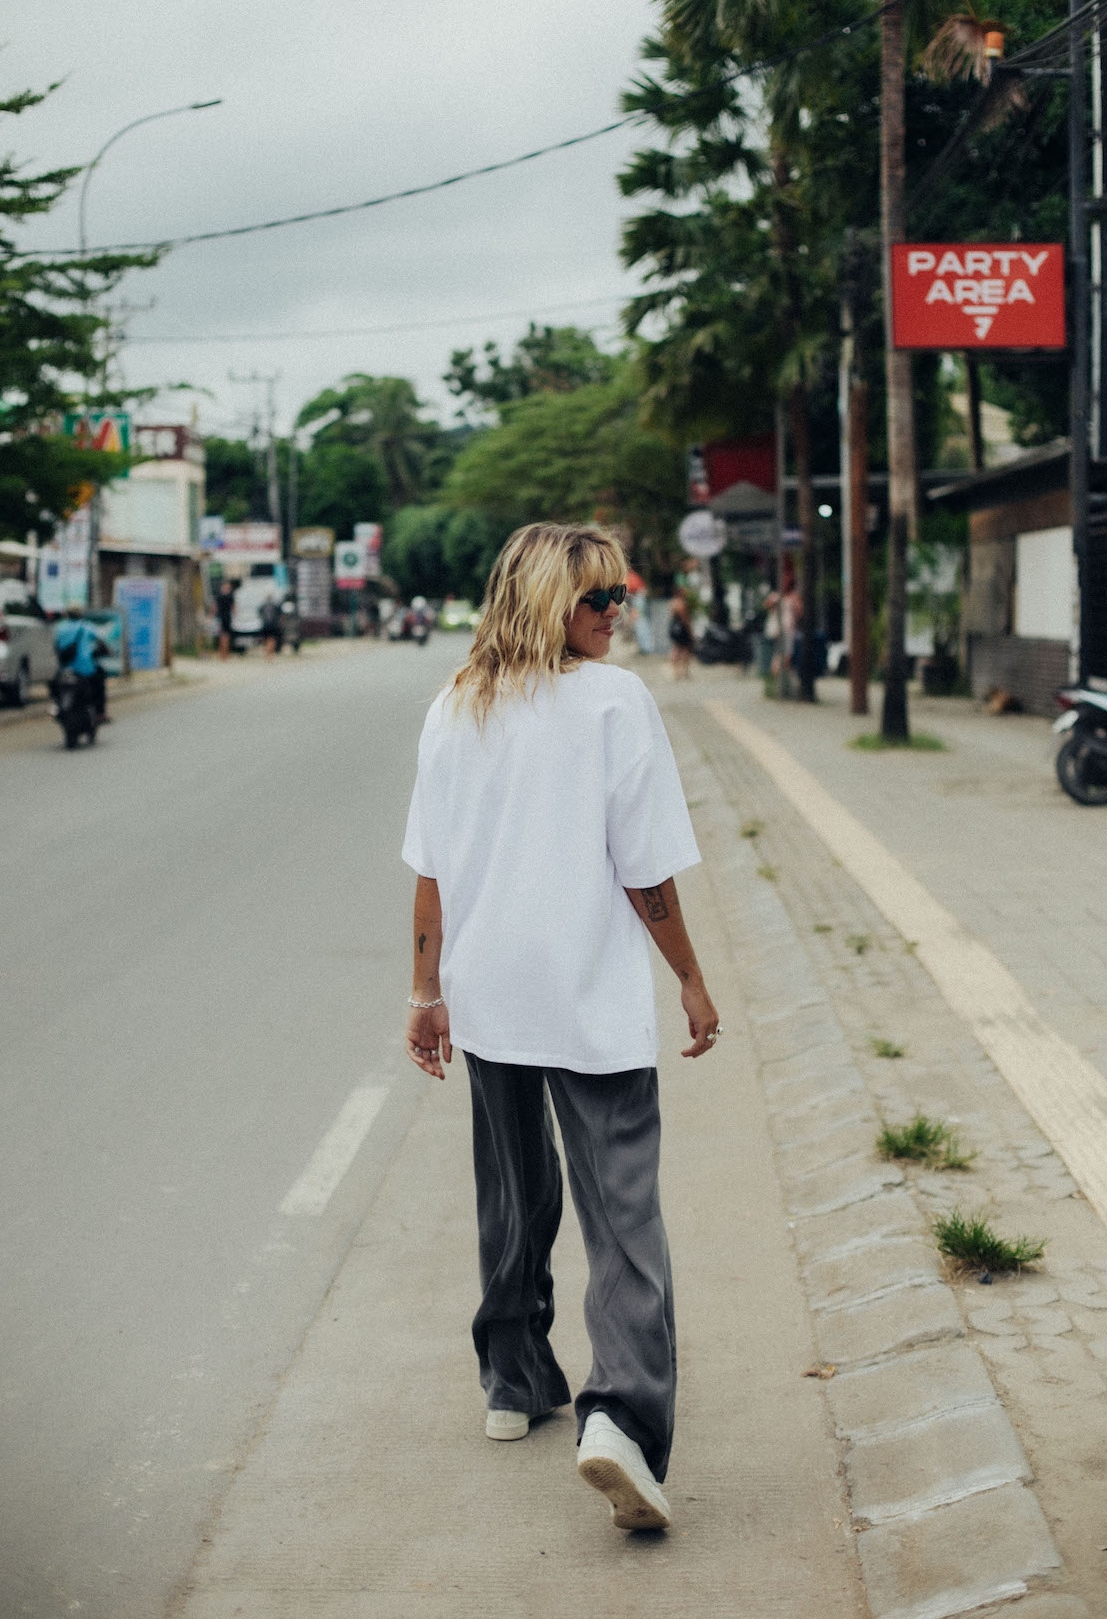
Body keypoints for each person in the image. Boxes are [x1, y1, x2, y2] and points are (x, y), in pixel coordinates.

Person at [402, 521, 721, 1534]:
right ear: (550, 603)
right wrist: (692, 980)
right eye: (599, 601)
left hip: (490, 986)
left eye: (619, 597)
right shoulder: (613, 701)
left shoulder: (457, 703)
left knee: (513, 1185)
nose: (616, 614)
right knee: (620, 1206)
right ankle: (619, 1417)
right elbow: (644, 869)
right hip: (586, 990)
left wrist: (425, 993)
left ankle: (512, 1377)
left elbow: (431, 870)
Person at [53, 605, 110, 723]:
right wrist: (109, 651)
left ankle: (58, 708)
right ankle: (100, 713)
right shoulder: (87, 627)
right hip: (85, 669)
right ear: (80, 614)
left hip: (64, 670)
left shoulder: (59, 627)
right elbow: (101, 642)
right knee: (99, 683)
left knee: (55, 687)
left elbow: (55, 646)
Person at [667, 590, 694, 680]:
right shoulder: (681, 603)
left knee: (676, 648)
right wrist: (690, 631)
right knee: (685, 649)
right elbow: (685, 618)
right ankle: (685, 671)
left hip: (673, 626)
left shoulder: (672, 602)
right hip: (681, 628)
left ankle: (675, 671)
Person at [215, 580, 235, 660]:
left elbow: (215, 607)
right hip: (227, 617)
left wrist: (210, 617)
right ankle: (225, 655)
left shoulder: (219, 596)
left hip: (221, 618)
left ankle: (222, 654)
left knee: (222, 636)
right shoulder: (230, 596)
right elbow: (234, 608)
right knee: (226, 637)